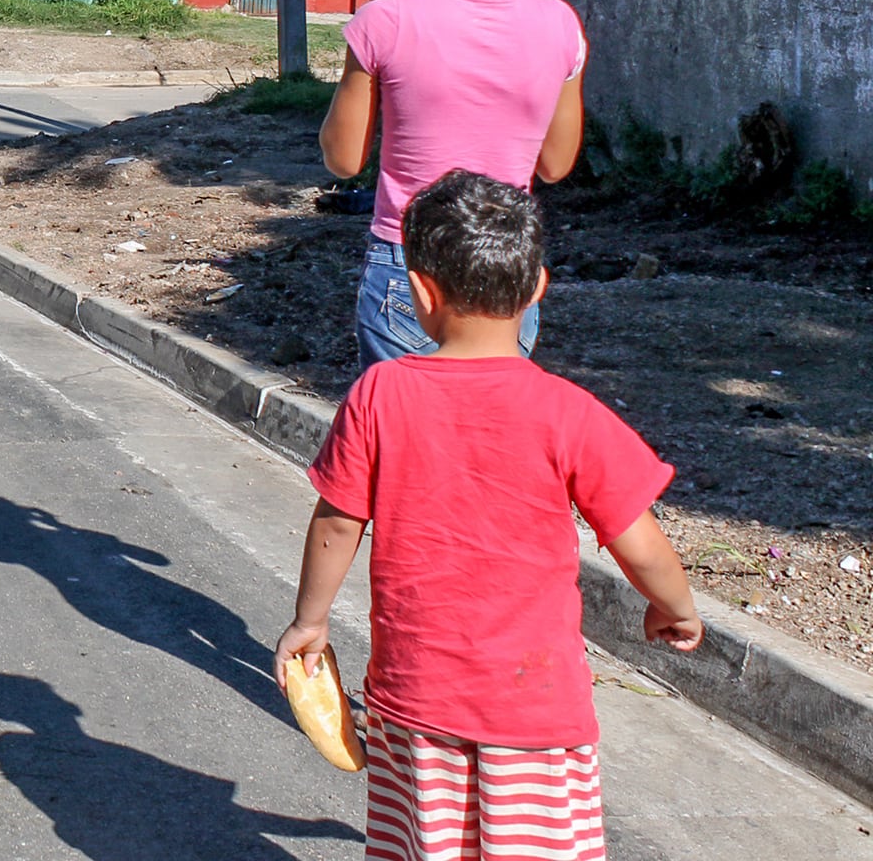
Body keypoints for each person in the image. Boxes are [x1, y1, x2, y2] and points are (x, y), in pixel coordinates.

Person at [274, 169, 702, 861]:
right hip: (534, 708)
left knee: (425, 845)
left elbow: (337, 520)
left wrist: (311, 620)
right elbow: (637, 538)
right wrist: (674, 606)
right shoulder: (568, 412)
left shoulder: (380, 394)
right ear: (537, 289)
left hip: (417, 701)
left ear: (419, 292)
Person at [320, 0, 586, 367]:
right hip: (507, 266)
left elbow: (342, 159)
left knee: (409, 442)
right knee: (488, 438)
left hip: (412, 266)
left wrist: (374, 15)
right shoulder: (559, 23)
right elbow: (555, 165)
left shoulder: (386, 22)